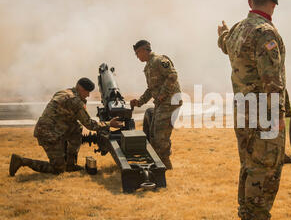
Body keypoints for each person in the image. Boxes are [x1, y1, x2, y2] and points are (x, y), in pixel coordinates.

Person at [217, 0, 291, 220]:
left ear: (251, 3)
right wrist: (278, 116)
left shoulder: (238, 29)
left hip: (243, 110)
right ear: (273, 4)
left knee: (249, 165)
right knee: (268, 167)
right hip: (264, 111)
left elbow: (225, 45)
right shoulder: (264, 32)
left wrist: (222, 33)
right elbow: (271, 79)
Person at [9, 78, 123, 176]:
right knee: (58, 169)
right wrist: (109, 124)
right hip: (48, 133)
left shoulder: (64, 92)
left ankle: (70, 164)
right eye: (87, 92)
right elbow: (89, 124)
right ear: (80, 88)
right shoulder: (75, 101)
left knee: (76, 128)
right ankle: (20, 161)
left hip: (53, 128)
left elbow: (70, 118)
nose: (88, 95)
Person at [130, 40, 182, 169]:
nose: (137, 57)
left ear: (143, 50)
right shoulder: (148, 66)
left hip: (170, 102)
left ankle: (164, 165)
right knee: (154, 134)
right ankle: (159, 163)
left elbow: (173, 75)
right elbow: (151, 89)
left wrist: (163, 94)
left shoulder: (159, 60)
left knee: (160, 136)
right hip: (162, 103)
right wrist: (140, 102)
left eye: (137, 53)